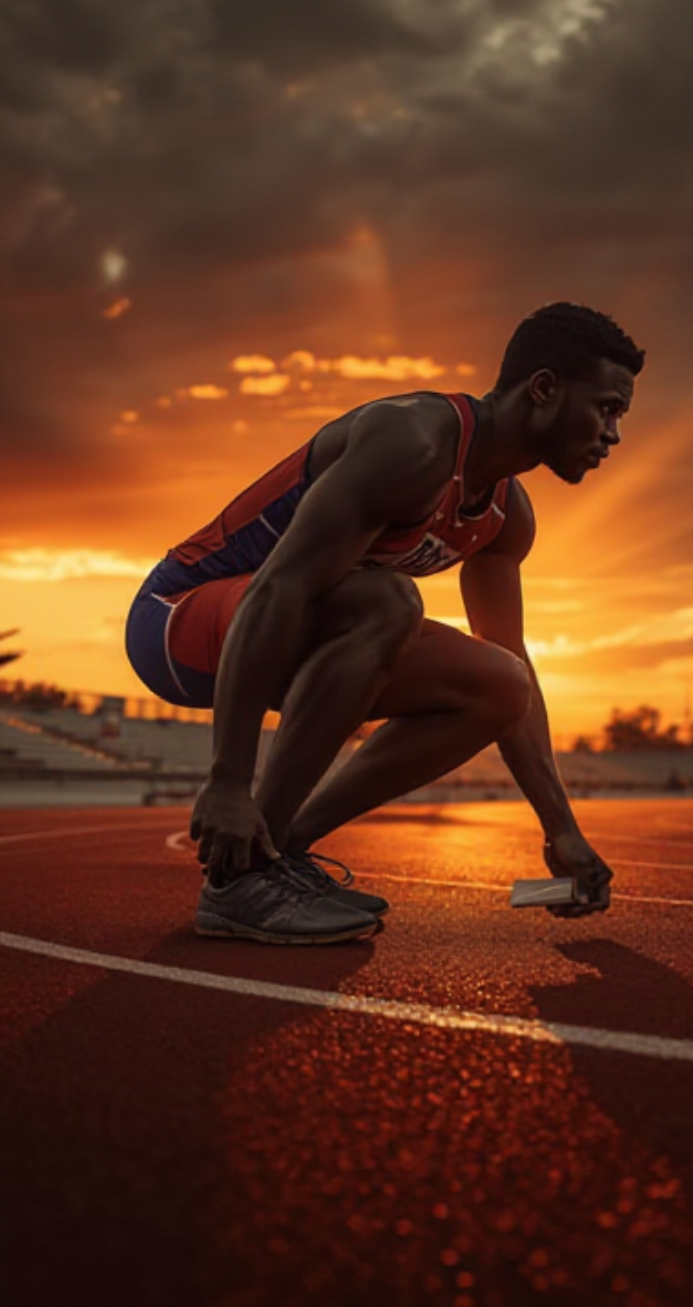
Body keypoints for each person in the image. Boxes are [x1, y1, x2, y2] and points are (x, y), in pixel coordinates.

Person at [125, 302, 645, 944]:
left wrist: (560, 827)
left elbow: (514, 669)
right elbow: (277, 591)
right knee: (389, 601)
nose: (614, 433)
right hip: (182, 618)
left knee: (501, 683)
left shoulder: (507, 517)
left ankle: (274, 852)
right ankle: (238, 883)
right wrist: (228, 780)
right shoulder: (416, 441)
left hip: (290, 634)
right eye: (607, 408)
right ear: (543, 390)